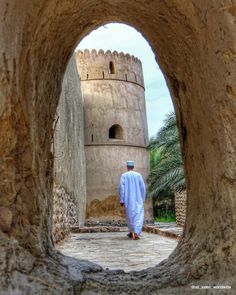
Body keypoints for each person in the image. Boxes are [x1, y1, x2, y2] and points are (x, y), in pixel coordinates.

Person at [119, 160, 146, 240]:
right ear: (133, 167)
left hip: (128, 200)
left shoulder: (124, 175)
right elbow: (143, 188)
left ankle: (132, 232)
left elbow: (121, 188)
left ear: (127, 167)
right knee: (138, 216)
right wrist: (142, 198)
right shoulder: (138, 175)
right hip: (138, 199)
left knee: (130, 216)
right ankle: (135, 232)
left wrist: (122, 200)